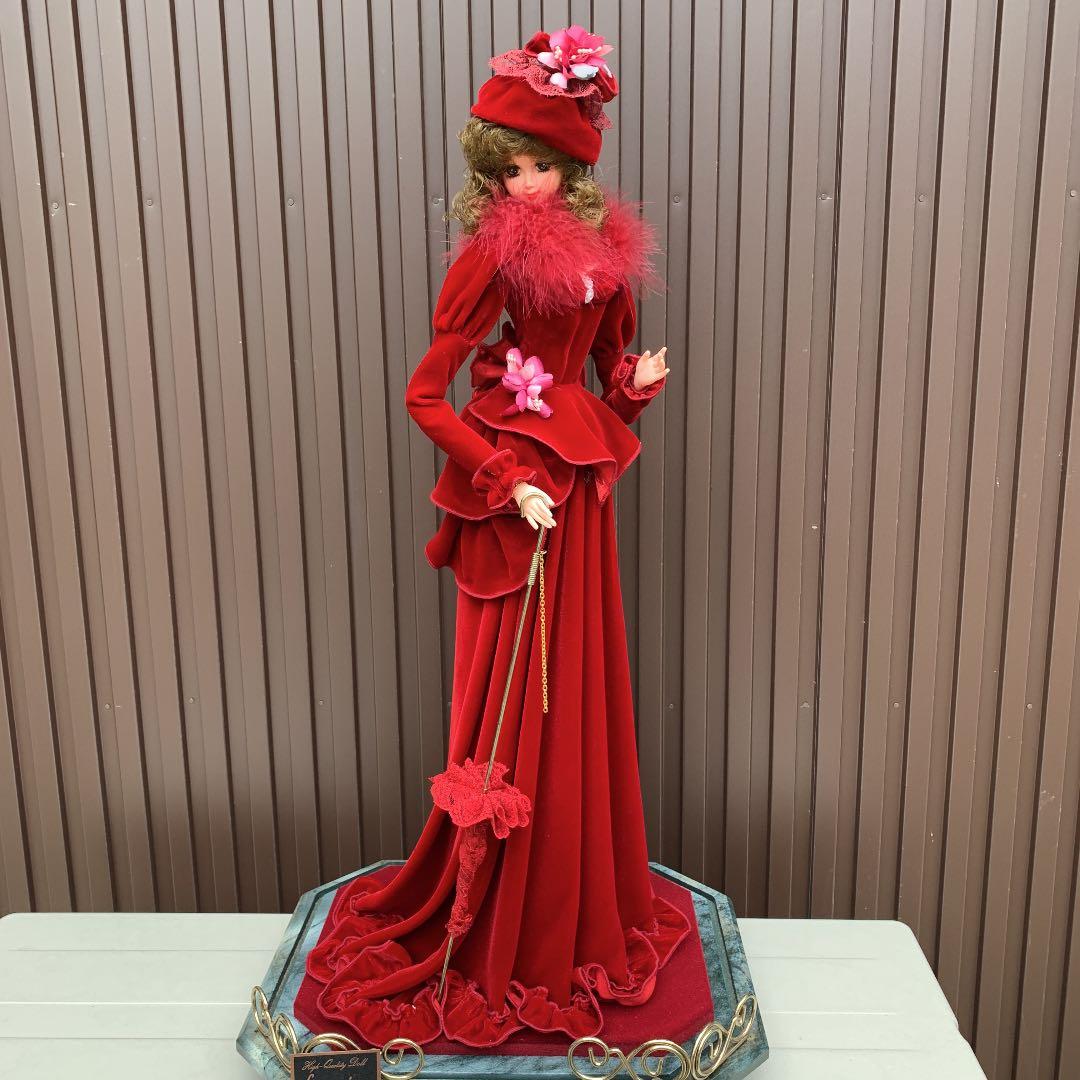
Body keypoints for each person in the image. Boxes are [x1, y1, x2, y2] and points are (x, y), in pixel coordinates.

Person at [294, 25, 686, 1049]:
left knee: (577, 684)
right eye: (508, 168)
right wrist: (508, 478)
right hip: (520, 494)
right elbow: (426, 395)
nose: (523, 185)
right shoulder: (491, 255)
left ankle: (572, 895)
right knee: (519, 690)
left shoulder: (607, 257)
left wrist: (634, 391)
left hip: (577, 493)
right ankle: (500, 909)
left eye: (540, 166)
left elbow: (602, 387)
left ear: (573, 165)